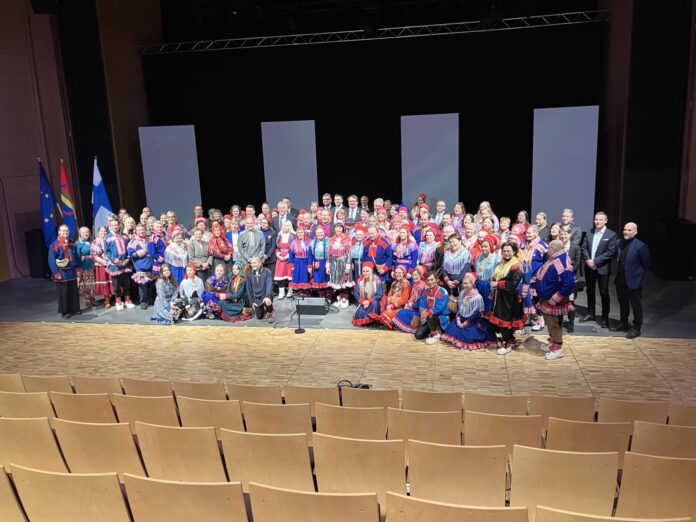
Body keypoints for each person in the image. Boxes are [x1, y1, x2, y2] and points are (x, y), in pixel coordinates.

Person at [611, 222, 651, 339]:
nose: (626, 232)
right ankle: (623, 322)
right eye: (625, 229)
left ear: (635, 232)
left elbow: (647, 264)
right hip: (620, 279)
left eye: (629, 230)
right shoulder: (619, 243)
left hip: (634, 281)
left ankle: (636, 327)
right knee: (622, 302)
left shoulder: (641, 246)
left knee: (636, 305)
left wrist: (637, 274)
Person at [580, 211, 617, 328]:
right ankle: (591, 313)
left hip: (602, 268)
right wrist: (588, 260)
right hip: (589, 267)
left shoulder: (611, 235)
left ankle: (605, 317)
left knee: (604, 292)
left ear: (606, 221)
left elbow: (610, 252)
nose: (598, 221)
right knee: (590, 290)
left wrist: (595, 261)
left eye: (600, 219)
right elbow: (583, 248)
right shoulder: (589, 232)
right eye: (596, 219)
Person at [441, 273, 497, 350]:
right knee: (450, 330)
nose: (464, 285)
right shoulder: (462, 293)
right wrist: (458, 319)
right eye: (463, 283)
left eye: (467, 283)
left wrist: (466, 323)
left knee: (469, 337)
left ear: (472, 284)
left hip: (472, 321)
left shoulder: (477, 297)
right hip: (462, 317)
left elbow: (476, 313)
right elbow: (459, 307)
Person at [490, 242, 526, 355]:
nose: (506, 253)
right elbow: (497, 276)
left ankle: (506, 344)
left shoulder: (516, 265)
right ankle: (510, 339)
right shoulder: (501, 263)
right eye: (504, 251)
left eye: (509, 251)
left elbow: (513, 284)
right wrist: (494, 282)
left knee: (504, 321)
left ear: (514, 252)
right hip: (501, 296)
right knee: (506, 321)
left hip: (510, 299)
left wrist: (498, 284)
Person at [48, 224, 81, 319]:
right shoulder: (54, 245)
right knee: (63, 293)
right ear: (59, 232)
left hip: (72, 271)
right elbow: (51, 260)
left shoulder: (72, 243)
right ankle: (65, 311)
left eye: (67, 231)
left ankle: (75, 309)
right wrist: (56, 273)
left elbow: (76, 256)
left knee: (73, 291)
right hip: (62, 272)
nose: (65, 232)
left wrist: (77, 269)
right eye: (63, 231)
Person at [412, 271, 450, 344]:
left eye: (432, 280)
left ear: (437, 279)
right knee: (418, 335)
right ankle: (434, 331)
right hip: (428, 317)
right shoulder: (425, 292)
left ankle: (436, 334)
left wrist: (428, 313)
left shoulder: (443, 292)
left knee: (431, 317)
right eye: (428, 280)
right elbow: (422, 304)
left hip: (440, 317)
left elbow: (440, 307)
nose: (430, 282)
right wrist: (422, 311)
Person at [105, 219, 135, 310]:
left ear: (119, 225)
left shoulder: (125, 236)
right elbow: (107, 251)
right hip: (115, 265)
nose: (115, 227)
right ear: (110, 226)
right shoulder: (107, 237)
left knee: (127, 283)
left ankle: (127, 300)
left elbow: (129, 248)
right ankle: (118, 302)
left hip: (125, 263)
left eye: (116, 225)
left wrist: (127, 258)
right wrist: (114, 260)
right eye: (113, 225)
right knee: (116, 284)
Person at [560, 224, 583, 333]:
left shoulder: (575, 247)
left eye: (565, 234)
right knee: (559, 300)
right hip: (559, 279)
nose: (563, 236)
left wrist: (567, 271)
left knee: (570, 301)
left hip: (571, 279)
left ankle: (571, 322)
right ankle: (559, 321)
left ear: (569, 234)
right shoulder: (557, 246)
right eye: (561, 234)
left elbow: (577, 263)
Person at [128, 224, 156, 309]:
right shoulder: (133, 242)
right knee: (143, 286)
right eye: (139, 230)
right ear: (136, 231)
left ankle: (151, 300)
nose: (141, 231)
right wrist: (143, 251)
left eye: (143, 229)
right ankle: (143, 301)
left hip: (151, 266)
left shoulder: (150, 240)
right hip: (141, 267)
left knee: (151, 285)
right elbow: (130, 254)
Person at [326, 221, 352, 308]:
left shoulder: (347, 239)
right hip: (334, 262)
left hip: (343, 261)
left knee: (344, 279)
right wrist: (328, 264)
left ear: (343, 229)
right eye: (337, 227)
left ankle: (345, 298)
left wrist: (348, 264)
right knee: (337, 281)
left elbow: (349, 253)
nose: (338, 229)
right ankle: (339, 297)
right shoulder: (331, 239)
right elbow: (329, 252)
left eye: (340, 227)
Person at [246, 256, 274, 322]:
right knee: (259, 316)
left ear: (260, 263)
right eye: (251, 263)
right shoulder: (249, 274)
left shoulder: (267, 272)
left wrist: (267, 296)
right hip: (256, 297)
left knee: (267, 301)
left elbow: (269, 285)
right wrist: (252, 302)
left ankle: (270, 311)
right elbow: (249, 289)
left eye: (255, 263)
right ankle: (263, 308)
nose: (253, 265)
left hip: (265, 295)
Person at [90, 225, 113, 308]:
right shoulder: (95, 242)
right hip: (101, 265)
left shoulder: (110, 240)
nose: (103, 232)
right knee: (104, 282)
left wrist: (111, 261)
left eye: (105, 231)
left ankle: (113, 298)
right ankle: (107, 300)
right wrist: (104, 262)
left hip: (111, 264)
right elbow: (94, 255)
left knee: (112, 282)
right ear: (98, 232)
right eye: (102, 231)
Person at [475, 238, 499, 314]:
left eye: (486, 246)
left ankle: (487, 316)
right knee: (479, 300)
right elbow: (477, 269)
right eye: (482, 246)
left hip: (488, 283)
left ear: (490, 247)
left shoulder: (495, 258)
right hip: (479, 282)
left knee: (488, 301)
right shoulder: (479, 256)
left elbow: (498, 272)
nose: (483, 248)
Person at [76, 226, 95, 309]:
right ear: (80, 233)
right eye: (83, 232)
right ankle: (87, 301)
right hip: (83, 266)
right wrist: (79, 269)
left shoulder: (91, 242)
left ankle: (92, 299)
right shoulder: (78, 243)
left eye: (87, 232)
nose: (85, 233)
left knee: (92, 283)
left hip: (92, 265)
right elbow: (77, 257)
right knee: (85, 284)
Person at [274, 220, 294, 298]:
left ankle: (290, 291)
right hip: (280, 258)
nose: (285, 227)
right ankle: (281, 292)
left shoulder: (292, 236)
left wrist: (288, 256)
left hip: (289, 258)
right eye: (284, 225)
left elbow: (294, 248)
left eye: (287, 225)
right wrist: (279, 255)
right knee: (280, 275)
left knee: (290, 275)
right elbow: (276, 247)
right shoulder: (279, 235)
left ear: (290, 227)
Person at [288, 227, 311, 292]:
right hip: (297, 261)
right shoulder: (294, 242)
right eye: (298, 233)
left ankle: (306, 291)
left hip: (305, 261)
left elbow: (310, 254)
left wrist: (309, 264)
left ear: (304, 233)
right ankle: (299, 292)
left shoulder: (308, 242)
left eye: (301, 232)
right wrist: (291, 264)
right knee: (297, 276)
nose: (300, 234)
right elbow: (291, 254)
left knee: (305, 276)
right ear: (296, 234)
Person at [308, 225, 329, 296]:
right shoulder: (312, 242)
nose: (319, 234)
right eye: (317, 233)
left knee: (327, 279)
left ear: (324, 232)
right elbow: (310, 255)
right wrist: (310, 265)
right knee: (318, 279)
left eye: (321, 232)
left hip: (326, 263)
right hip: (317, 263)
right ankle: (321, 295)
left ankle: (329, 295)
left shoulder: (328, 241)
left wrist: (329, 263)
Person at [259, 216, 277, 285]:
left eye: (265, 223)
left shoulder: (273, 233)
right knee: (261, 277)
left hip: (270, 259)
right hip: (259, 258)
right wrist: (261, 255)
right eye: (262, 223)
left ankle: (270, 290)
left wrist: (267, 256)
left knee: (270, 277)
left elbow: (273, 246)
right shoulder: (257, 232)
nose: (263, 224)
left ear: (268, 224)